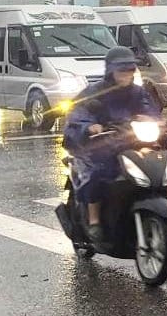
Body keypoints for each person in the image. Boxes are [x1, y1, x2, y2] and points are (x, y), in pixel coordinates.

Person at [63, 46, 160, 240]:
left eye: (130, 70)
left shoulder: (139, 93)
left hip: (130, 142)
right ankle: (94, 220)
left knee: (158, 163)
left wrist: (162, 124)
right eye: (121, 70)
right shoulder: (94, 92)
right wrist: (90, 126)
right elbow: (78, 114)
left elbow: (151, 112)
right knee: (98, 171)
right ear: (110, 71)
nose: (126, 75)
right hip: (99, 146)